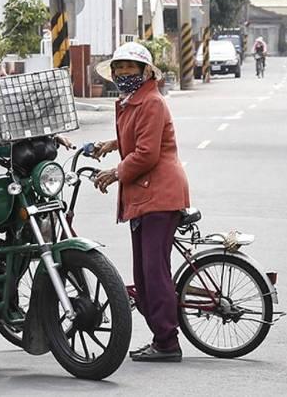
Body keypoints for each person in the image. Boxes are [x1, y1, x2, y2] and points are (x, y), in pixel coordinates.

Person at [91, 42, 190, 363]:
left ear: (146, 72)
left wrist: (115, 172)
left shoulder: (151, 102)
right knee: (145, 274)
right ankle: (161, 334)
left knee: (153, 272)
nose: (122, 73)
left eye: (129, 68)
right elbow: (137, 139)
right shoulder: (134, 101)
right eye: (118, 68)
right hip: (145, 196)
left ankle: (167, 342)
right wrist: (111, 144)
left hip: (159, 195)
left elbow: (147, 153)